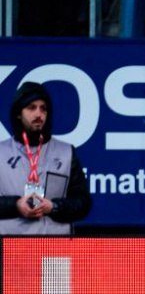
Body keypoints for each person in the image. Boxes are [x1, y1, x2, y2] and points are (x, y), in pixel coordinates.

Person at [0, 82, 91, 234]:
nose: (38, 114)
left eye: (43, 108)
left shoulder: (66, 152)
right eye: (31, 107)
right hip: (12, 250)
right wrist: (16, 205)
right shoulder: (1, 152)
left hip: (56, 250)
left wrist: (54, 207)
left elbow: (83, 204)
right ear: (18, 113)